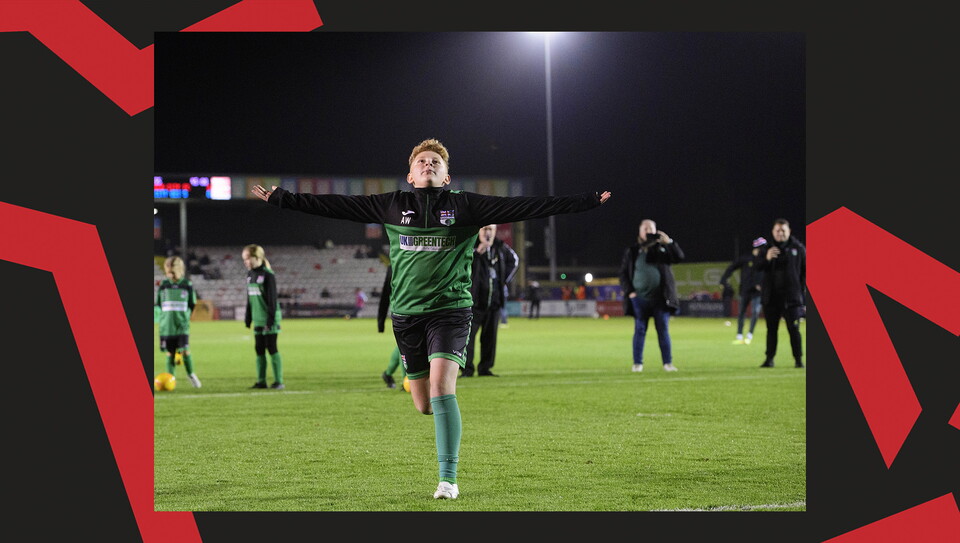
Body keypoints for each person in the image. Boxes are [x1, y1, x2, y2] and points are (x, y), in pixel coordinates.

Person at [251, 137, 611, 500]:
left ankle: (448, 480)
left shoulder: (465, 206)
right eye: (421, 161)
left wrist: (585, 201)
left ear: (447, 177)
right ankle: (434, 408)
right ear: (410, 175)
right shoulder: (392, 205)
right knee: (424, 404)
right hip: (406, 316)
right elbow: (336, 205)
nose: (428, 165)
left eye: (435, 162)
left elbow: (526, 206)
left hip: (451, 311)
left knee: (442, 388)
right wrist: (284, 198)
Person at [618, 219, 684, 373]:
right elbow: (623, 273)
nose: (648, 231)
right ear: (640, 231)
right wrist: (631, 293)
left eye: (651, 228)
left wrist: (669, 242)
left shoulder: (662, 248)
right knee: (639, 330)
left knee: (663, 330)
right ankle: (637, 364)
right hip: (639, 299)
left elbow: (679, 257)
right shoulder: (633, 251)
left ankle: (668, 363)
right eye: (645, 228)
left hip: (660, 299)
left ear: (656, 231)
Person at [462, 224, 518, 378]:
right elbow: (459, 264)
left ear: (495, 231)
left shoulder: (500, 247)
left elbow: (515, 261)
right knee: (468, 338)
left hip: (494, 303)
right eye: (485, 229)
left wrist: (503, 280)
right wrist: (476, 254)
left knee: (490, 338)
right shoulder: (470, 246)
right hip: (474, 303)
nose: (488, 232)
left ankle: (485, 368)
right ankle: (467, 369)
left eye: (491, 229)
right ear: (479, 231)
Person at [755, 219, 806, 368]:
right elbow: (757, 266)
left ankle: (798, 360)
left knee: (794, 329)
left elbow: (805, 271)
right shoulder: (766, 249)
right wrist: (767, 258)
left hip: (791, 298)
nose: (780, 233)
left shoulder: (798, 248)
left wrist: (800, 291)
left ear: (789, 231)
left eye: (783, 230)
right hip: (771, 298)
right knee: (771, 330)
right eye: (777, 230)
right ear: (773, 232)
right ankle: (769, 359)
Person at [155, 256, 202, 388]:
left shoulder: (187, 285)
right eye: (168, 272)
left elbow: (192, 304)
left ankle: (191, 375)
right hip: (167, 326)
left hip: (182, 325)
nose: (170, 275)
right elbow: (159, 304)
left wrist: (185, 318)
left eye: (173, 272)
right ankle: (171, 379)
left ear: (180, 270)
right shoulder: (163, 285)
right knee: (170, 353)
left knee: (186, 350)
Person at [242, 244, 285, 389]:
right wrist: (248, 317)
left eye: (248, 258)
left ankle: (279, 381)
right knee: (259, 349)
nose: (246, 262)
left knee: (271, 348)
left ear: (257, 257)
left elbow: (272, 300)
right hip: (258, 319)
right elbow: (250, 298)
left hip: (269, 318)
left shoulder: (268, 275)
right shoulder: (250, 275)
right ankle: (261, 381)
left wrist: (270, 320)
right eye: (244, 259)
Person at [719, 237, 767, 345]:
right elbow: (732, 267)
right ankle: (739, 335)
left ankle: (749, 335)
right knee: (741, 312)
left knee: (755, 312)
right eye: (762, 247)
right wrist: (723, 279)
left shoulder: (765, 260)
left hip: (757, 292)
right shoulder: (746, 258)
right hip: (745, 290)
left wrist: (762, 285)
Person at [377, 265, 406, 389]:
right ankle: (407, 380)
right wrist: (381, 321)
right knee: (405, 345)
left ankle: (388, 374)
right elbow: (386, 292)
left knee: (402, 345)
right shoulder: (395, 265)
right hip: (402, 310)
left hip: (409, 308)